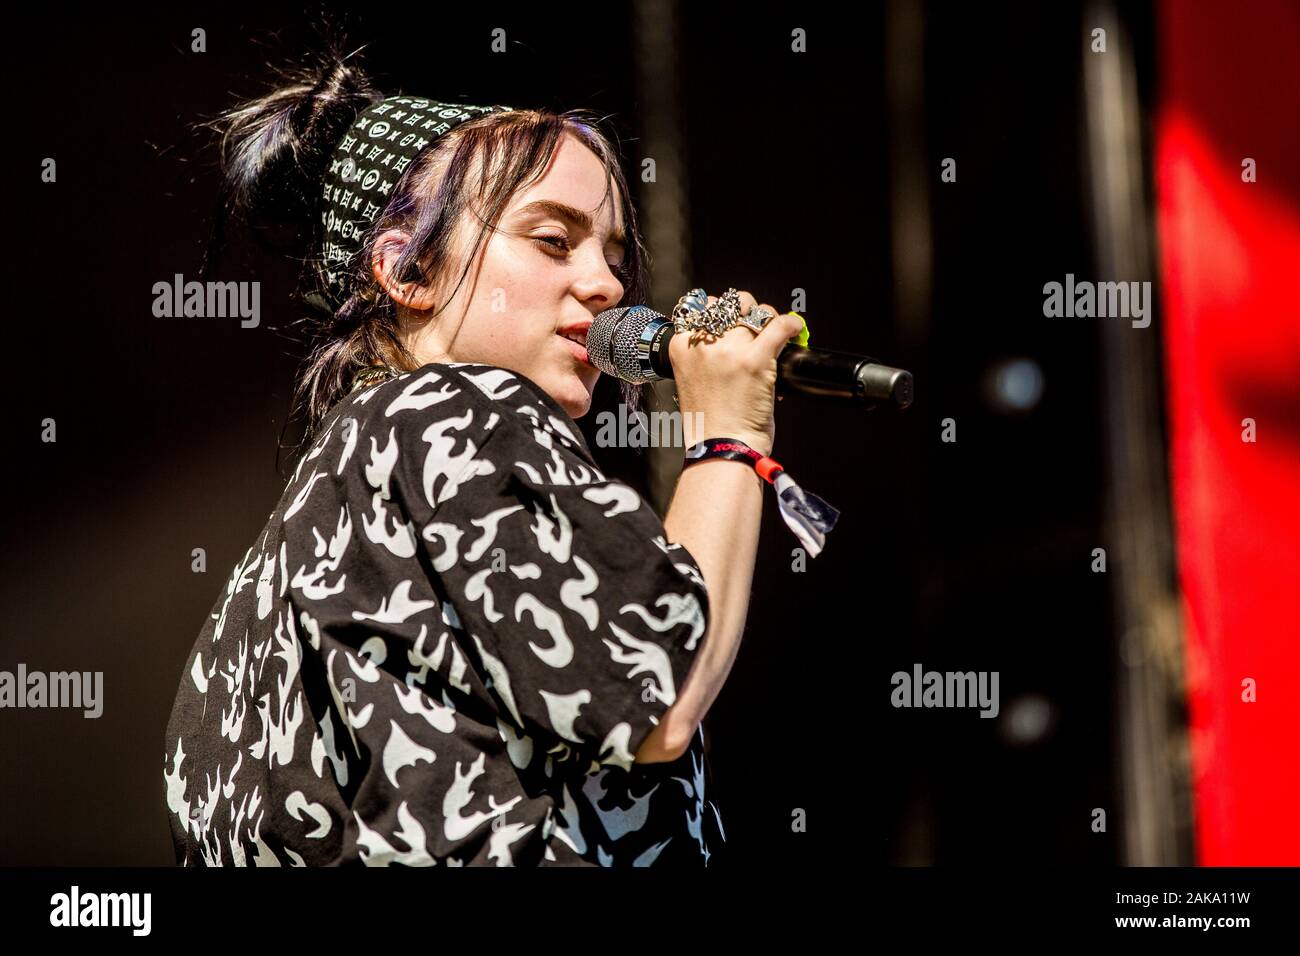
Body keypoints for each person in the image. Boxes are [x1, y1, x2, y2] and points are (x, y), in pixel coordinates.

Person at [162, 48, 804, 866]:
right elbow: (655, 696)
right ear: (405, 269)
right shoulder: (453, 408)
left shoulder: (282, 552)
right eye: (552, 240)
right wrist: (727, 436)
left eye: (610, 252)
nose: (606, 284)